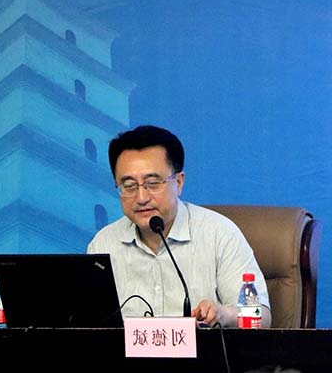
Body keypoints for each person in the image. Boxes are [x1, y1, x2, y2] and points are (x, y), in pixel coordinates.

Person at [87, 125, 271, 327]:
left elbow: (261, 316)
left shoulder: (219, 234)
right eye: (129, 186)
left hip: (204, 348)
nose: (141, 197)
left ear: (179, 182)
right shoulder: (104, 244)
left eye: (153, 183)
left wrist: (224, 314)